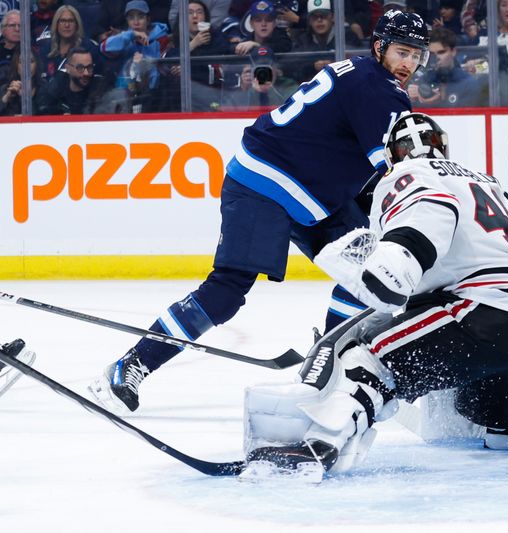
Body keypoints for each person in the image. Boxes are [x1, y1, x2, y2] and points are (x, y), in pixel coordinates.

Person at [238, 113, 508, 480]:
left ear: (393, 154)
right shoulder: (484, 182)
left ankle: (318, 447)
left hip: (492, 313)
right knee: (495, 414)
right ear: (442, 145)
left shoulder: (409, 174)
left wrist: (398, 264)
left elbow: (429, 211)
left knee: (366, 353)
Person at [87, 9, 431, 414]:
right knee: (226, 291)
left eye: (417, 55)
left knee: (371, 272)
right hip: (263, 184)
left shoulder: (364, 75)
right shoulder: (380, 90)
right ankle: (132, 365)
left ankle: (328, 364)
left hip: (313, 195)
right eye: (403, 52)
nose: (409, 63)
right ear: (380, 48)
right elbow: (396, 170)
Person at [407, 27, 485, 107]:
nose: (437, 58)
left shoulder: (468, 83)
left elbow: (470, 117)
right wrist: (411, 99)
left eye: (441, 52)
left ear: (453, 52)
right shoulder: (422, 81)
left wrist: (434, 103)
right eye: (432, 54)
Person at [290, 0, 363, 83]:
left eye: (323, 16)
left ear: (332, 17)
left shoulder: (347, 36)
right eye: (314, 17)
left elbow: (359, 63)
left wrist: (334, 64)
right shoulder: (302, 40)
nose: (319, 20)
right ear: (309, 21)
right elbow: (293, 68)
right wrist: (313, 66)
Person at [37, 5, 104, 85]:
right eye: (63, 21)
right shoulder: (46, 50)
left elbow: (98, 79)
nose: (67, 25)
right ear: (56, 24)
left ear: (77, 24)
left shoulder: (89, 48)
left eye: (71, 21)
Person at [40, 46, 106, 114]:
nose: (86, 73)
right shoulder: (55, 90)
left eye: (89, 67)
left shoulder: (99, 89)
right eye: (80, 68)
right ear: (68, 68)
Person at [0, 50, 47, 115]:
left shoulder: (45, 89)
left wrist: (24, 97)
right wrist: (6, 97)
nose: (26, 66)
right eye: (21, 62)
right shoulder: (4, 89)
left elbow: (45, 116)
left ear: (36, 65)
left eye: (31, 61)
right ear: (16, 65)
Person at [0, 9, 20, 88]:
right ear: (2, 29)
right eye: (12, 25)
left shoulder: (30, 51)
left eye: (20, 25)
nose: (17, 29)